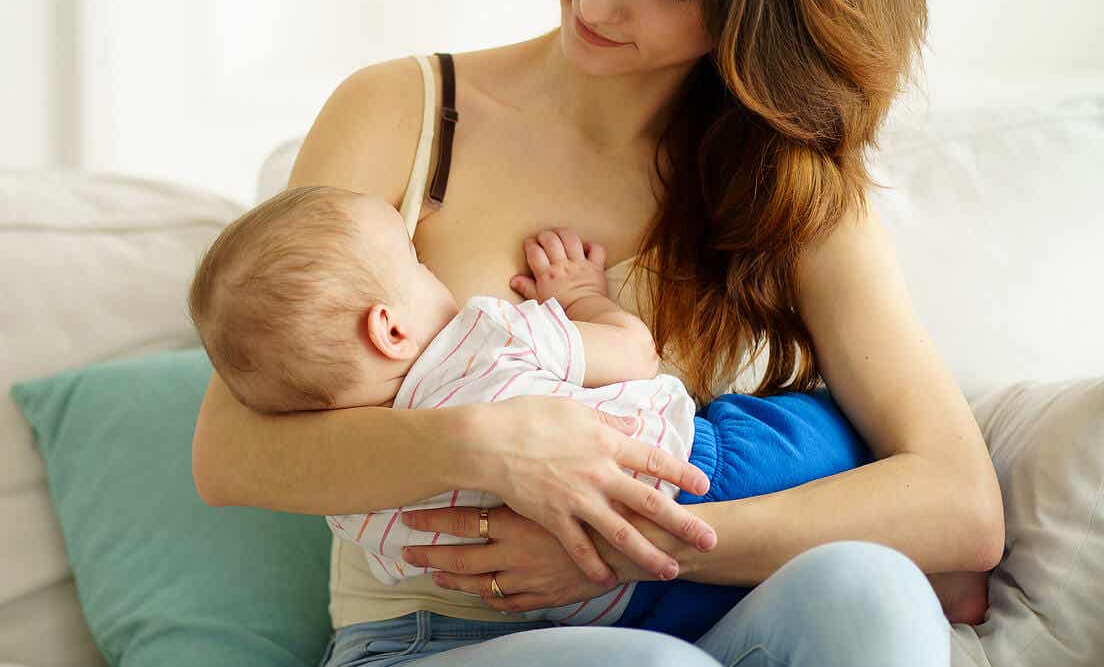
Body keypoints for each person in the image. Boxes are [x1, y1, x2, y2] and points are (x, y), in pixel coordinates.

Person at [191, 0, 1001, 667]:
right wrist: (498, 443)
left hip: (680, 615)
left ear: (761, 6)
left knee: (868, 590)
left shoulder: (782, 177)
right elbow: (230, 452)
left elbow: (959, 501)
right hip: (420, 653)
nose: (598, 0)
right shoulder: (405, 113)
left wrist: (633, 541)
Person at [187, 185, 988, 640]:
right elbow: (632, 352)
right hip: (694, 472)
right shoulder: (485, 335)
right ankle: (937, 577)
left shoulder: (358, 506)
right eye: (415, 262)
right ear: (390, 326)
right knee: (820, 429)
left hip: (604, 607)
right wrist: (579, 300)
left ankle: (932, 581)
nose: (434, 271)